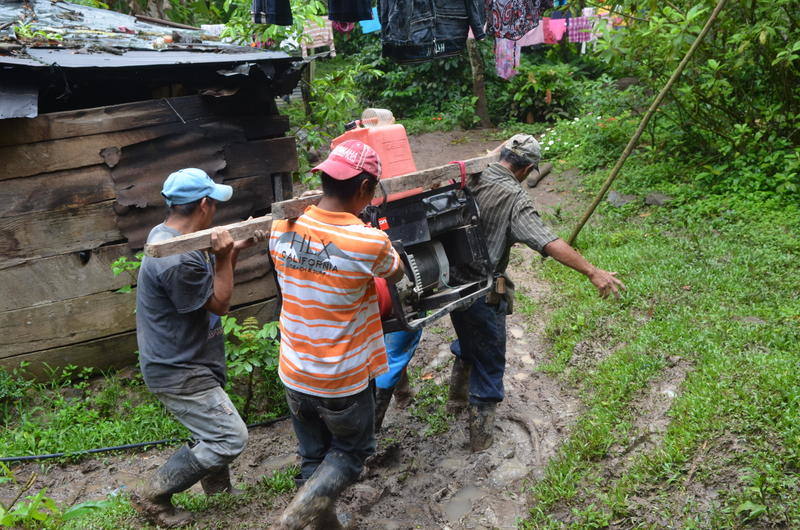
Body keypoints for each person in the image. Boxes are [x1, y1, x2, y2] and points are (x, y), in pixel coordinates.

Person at [447, 134, 626, 452]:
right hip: (481, 289)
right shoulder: (514, 197)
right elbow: (547, 241)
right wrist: (592, 272)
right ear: (527, 168)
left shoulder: (471, 175)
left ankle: (455, 400)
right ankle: (479, 443)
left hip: (449, 286)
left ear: (501, 154)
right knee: (490, 362)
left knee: (468, 337)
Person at [270, 140, 405, 529]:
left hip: (294, 369)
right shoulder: (368, 240)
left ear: (323, 179)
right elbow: (393, 273)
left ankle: (324, 523)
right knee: (351, 452)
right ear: (365, 188)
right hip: (340, 378)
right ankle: (297, 518)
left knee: (313, 454)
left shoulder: (281, 226)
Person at [132, 168, 263, 527]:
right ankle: (155, 494)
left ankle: (217, 488)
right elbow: (219, 303)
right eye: (214, 202)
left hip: (188, 357)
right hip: (178, 368)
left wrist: (233, 250)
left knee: (211, 428)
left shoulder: (171, 236)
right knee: (229, 437)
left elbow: (206, 287)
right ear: (204, 204)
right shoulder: (176, 257)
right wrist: (223, 258)